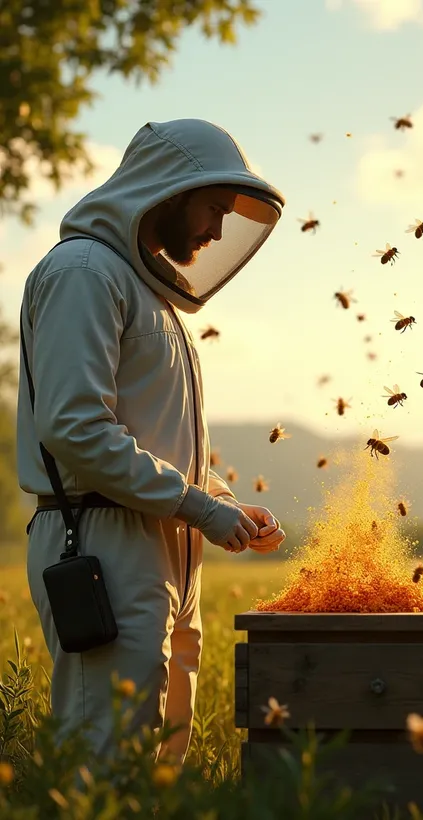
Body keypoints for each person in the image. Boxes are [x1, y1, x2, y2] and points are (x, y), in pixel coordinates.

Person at [16, 118, 286, 765]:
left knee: (161, 755)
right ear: (168, 191)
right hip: (102, 540)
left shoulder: (152, 296)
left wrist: (220, 498)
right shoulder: (84, 271)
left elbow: (157, 439)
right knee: (106, 757)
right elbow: (76, 428)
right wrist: (201, 508)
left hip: (162, 542)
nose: (218, 231)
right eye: (213, 209)